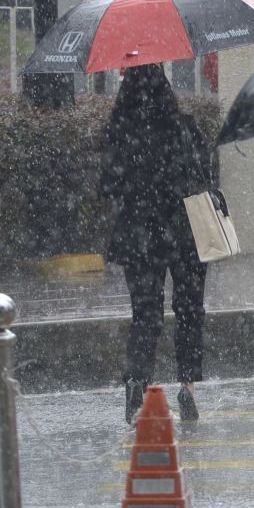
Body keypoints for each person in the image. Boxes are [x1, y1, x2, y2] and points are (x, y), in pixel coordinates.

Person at [100, 63, 213, 424]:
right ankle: (187, 386)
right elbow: (203, 176)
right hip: (184, 229)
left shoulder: (119, 132)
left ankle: (137, 382)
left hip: (139, 234)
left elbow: (107, 185)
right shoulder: (184, 127)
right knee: (189, 309)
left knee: (145, 313)